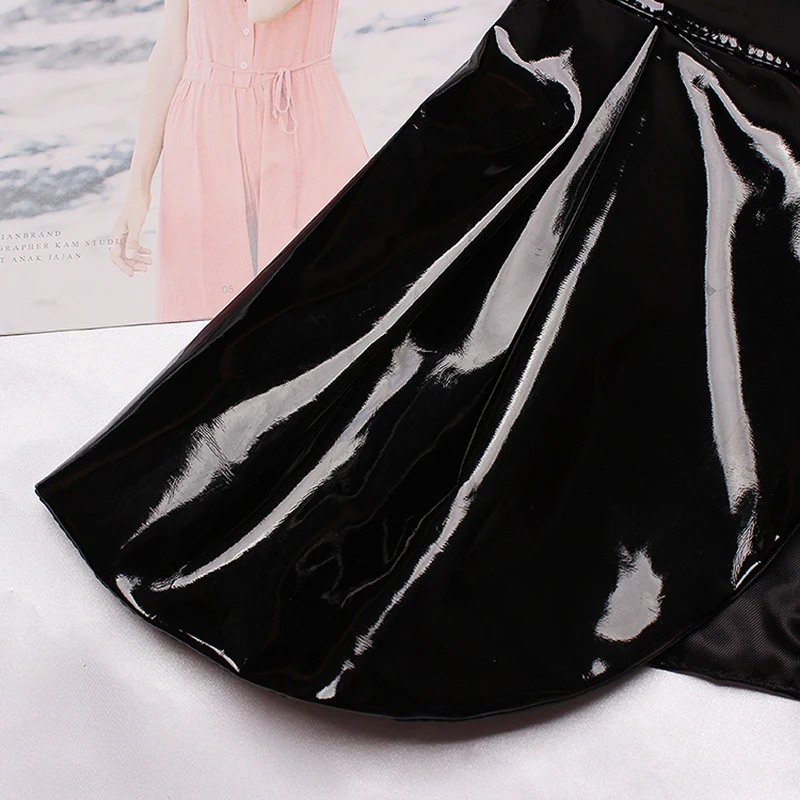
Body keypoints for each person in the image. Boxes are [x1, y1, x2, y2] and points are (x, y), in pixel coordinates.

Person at [108, 0, 369, 321]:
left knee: (321, 305)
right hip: (206, 133)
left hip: (301, 123)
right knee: (208, 317)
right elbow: (170, 52)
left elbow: (262, 8)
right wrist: (138, 189)